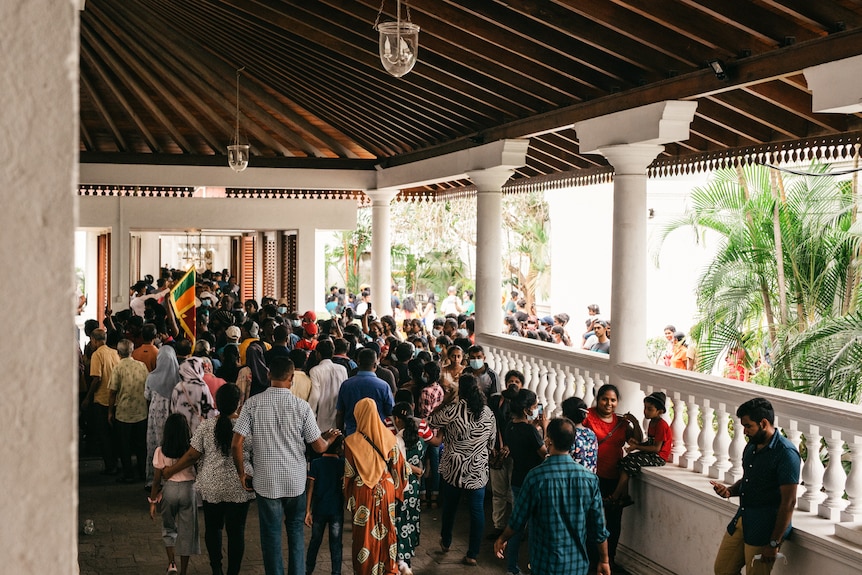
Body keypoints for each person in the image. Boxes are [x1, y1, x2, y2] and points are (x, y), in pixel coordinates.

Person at [231, 357, 340, 575]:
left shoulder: (252, 404)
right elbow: (318, 447)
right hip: (295, 481)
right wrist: (327, 439)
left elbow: (236, 443)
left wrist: (242, 473)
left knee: (271, 537)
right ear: (291, 378)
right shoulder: (301, 407)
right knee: (296, 534)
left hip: (266, 482)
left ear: (269, 375)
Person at [494, 418, 611, 575]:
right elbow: (598, 527)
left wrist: (502, 538)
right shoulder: (589, 479)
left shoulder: (536, 477)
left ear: (548, 441)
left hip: (544, 563)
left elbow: (518, 519)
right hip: (576, 565)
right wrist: (604, 560)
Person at [162, 384, 254, 575]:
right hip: (240, 486)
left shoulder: (206, 426)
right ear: (239, 403)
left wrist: (171, 470)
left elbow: (191, 456)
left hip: (211, 487)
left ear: (217, 403)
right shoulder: (247, 426)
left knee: (213, 530)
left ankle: (216, 569)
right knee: (236, 533)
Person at [711, 398, 801, 575]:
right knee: (722, 570)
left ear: (763, 423)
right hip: (743, 518)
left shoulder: (786, 453)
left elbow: (789, 502)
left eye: (748, 426)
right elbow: (749, 480)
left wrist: (774, 543)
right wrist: (729, 491)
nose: (744, 431)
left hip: (765, 528)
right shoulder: (751, 447)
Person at [429, 374, 496, 567]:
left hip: (453, 469)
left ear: (460, 391)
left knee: (450, 507)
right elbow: (491, 443)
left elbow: (431, 421)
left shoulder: (453, 410)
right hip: (478, 469)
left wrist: (445, 402)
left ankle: (447, 541)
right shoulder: (488, 413)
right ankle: (472, 554)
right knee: (477, 511)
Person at [343, 398, 408, 575]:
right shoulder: (389, 438)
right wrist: (396, 489)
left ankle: (365, 570)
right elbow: (401, 469)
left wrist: (350, 497)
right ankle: (387, 569)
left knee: (363, 538)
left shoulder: (350, 442)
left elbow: (349, 474)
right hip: (386, 489)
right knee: (388, 531)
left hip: (363, 491)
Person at [583, 384, 642, 569]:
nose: (609, 403)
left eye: (613, 400)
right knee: (591, 519)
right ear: (598, 399)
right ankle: (591, 558)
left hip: (615, 480)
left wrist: (636, 423)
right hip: (591, 478)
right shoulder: (588, 416)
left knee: (613, 522)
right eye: (605, 399)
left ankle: (610, 558)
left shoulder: (622, 423)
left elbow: (637, 440)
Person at [501, 388, 548, 575]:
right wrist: (543, 428)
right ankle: (534, 565)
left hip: (518, 479)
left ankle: (512, 567)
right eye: (535, 406)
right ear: (527, 409)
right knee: (535, 527)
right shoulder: (531, 431)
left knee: (517, 524)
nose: (537, 409)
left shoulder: (509, 426)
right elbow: (544, 455)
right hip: (534, 482)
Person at [149, 413, 201, 575]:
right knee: (187, 532)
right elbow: (198, 470)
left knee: (168, 528)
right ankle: (184, 570)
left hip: (169, 491)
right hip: (188, 490)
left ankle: (172, 563)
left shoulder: (160, 451)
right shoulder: (190, 450)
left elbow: (157, 480)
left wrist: (152, 502)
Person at [608, 391, 672, 505]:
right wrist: (637, 444)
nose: (646, 411)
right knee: (623, 462)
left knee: (629, 463)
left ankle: (615, 496)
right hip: (652, 455)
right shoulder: (652, 422)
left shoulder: (661, 425)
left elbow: (656, 448)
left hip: (659, 457)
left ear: (660, 411)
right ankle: (624, 495)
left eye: (650, 409)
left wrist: (637, 446)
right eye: (645, 408)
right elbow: (650, 443)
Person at [107, 339, 150, 483]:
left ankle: (128, 474)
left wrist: (110, 412)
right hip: (141, 412)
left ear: (118, 353)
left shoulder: (118, 368)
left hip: (123, 414)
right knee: (141, 445)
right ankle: (144, 473)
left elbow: (112, 392)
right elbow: (148, 387)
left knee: (124, 446)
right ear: (132, 351)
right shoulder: (142, 366)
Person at [391, 401, 426, 574]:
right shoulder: (420, 438)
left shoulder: (397, 439)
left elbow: (400, 463)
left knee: (400, 522)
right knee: (411, 521)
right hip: (415, 486)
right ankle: (408, 559)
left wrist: (414, 469)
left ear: (397, 419)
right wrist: (419, 469)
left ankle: (401, 561)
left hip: (402, 486)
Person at [83, 328, 121, 475]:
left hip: (101, 399)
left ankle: (109, 466)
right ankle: (116, 463)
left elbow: (96, 378)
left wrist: (88, 398)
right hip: (115, 399)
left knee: (103, 435)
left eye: (92, 340)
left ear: (95, 340)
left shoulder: (97, 355)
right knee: (113, 434)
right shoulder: (114, 353)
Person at [304, 436, 345, 575]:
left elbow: (310, 487)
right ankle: (336, 572)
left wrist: (307, 510)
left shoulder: (316, 463)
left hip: (319, 509)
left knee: (315, 541)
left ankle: (308, 570)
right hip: (336, 510)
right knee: (336, 544)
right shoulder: (342, 465)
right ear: (339, 448)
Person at [335, 348, 394, 435]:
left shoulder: (346, 385)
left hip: (352, 435)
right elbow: (390, 412)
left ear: (358, 362)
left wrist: (340, 434)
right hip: (377, 435)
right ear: (375, 365)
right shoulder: (383, 386)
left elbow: (340, 413)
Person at [145, 345, 180, 487]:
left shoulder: (151, 377)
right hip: (172, 417)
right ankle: (170, 476)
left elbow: (146, 396)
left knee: (155, 446)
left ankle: (153, 479)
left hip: (154, 417)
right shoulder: (178, 378)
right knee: (170, 445)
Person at [170, 356, 216, 436]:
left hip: (180, 430)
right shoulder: (202, 387)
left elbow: (173, 409)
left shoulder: (178, 387)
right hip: (197, 430)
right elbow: (209, 411)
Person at [561, 396, 598, 473]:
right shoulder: (591, 433)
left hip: (574, 481)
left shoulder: (568, 435)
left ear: (565, 415)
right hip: (590, 480)